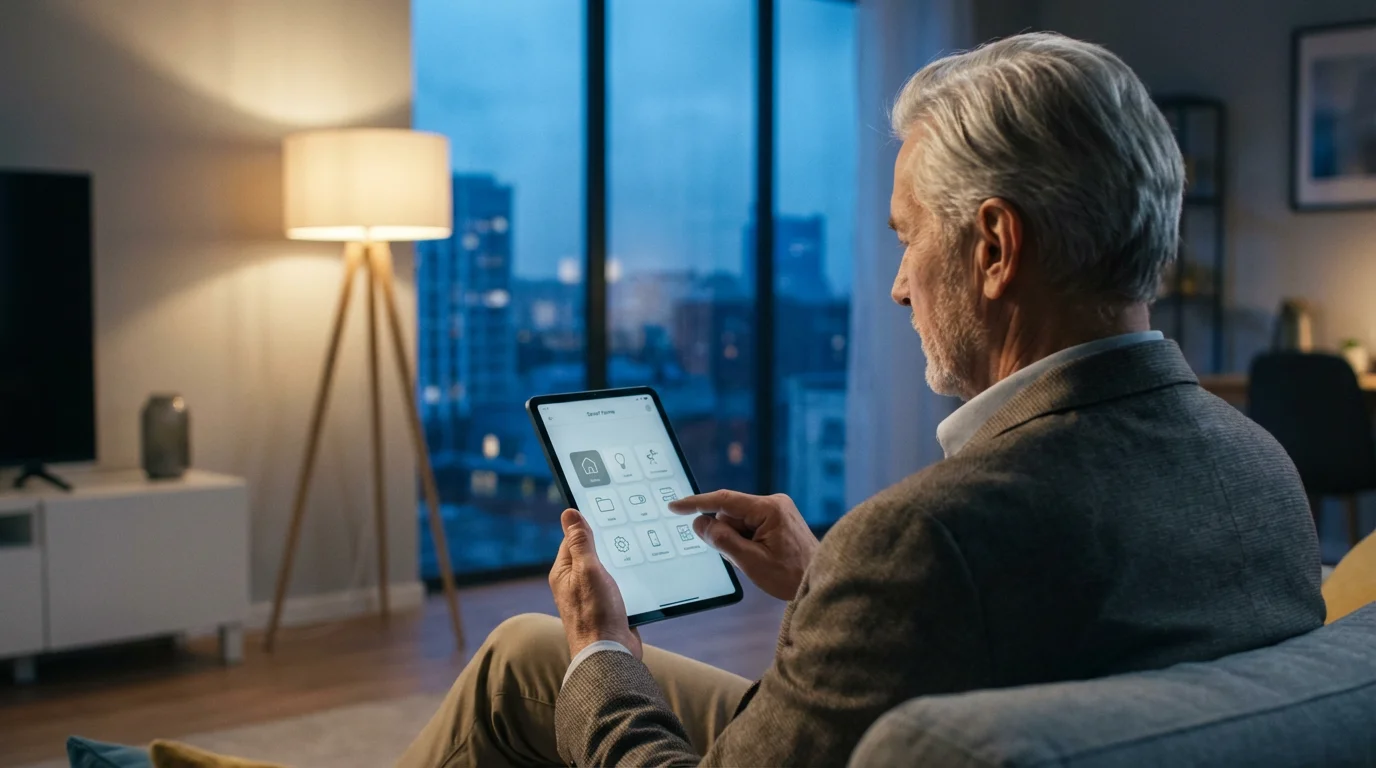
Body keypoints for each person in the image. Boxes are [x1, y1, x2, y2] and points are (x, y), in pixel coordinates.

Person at [396, 32, 1325, 768]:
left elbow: (967, 586)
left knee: (567, 660)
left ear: (995, 247)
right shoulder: (1261, 467)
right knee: (524, 654)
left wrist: (604, 649)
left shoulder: (933, 539)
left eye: (908, 238)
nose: (898, 286)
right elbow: (1039, 635)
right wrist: (826, 582)